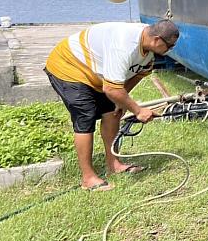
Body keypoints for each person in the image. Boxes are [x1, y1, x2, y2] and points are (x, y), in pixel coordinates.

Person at [44, 20, 179, 191]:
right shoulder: (124, 45)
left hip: (97, 73)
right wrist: (137, 110)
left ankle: (114, 164)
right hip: (69, 66)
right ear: (157, 40)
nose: (170, 51)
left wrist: (121, 101)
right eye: (170, 46)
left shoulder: (148, 48)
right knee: (86, 116)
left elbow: (137, 75)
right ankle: (88, 178)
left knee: (112, 112)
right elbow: (110, 88)